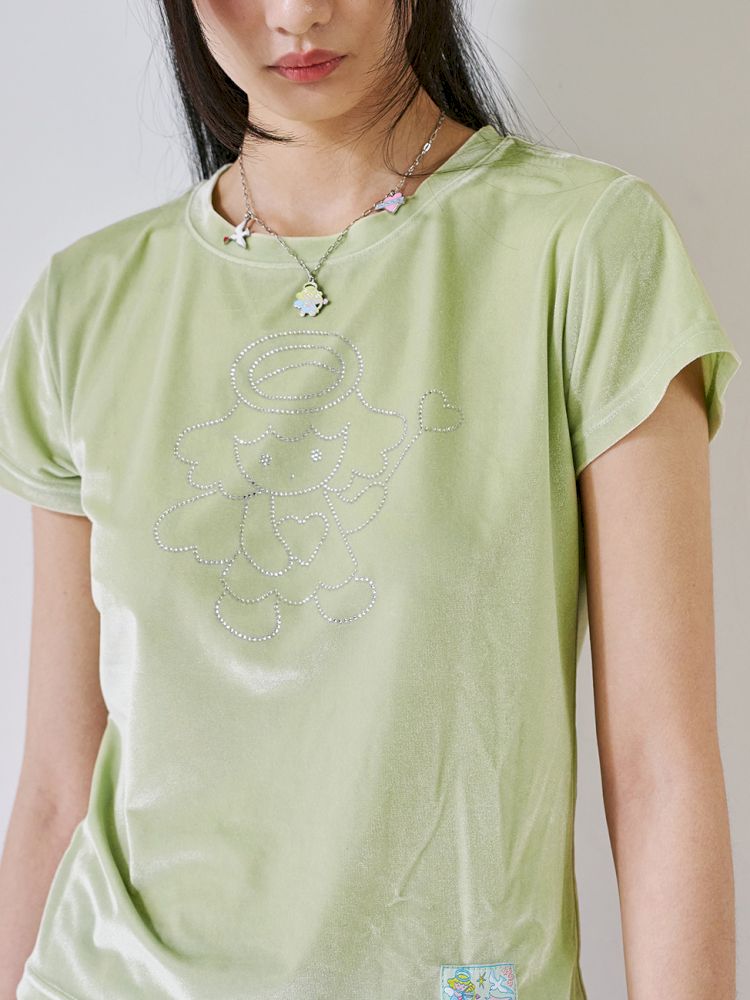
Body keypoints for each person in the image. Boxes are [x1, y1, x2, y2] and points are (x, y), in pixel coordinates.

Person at [0, 1, 741, 998]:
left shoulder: (584, 245)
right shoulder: (84, 305)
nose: (297, 14)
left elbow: (659, 766)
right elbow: (56, 785)